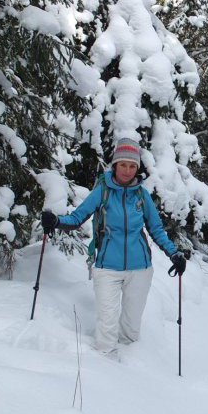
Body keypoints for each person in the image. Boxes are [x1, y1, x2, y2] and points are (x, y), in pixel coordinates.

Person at [41, 138, 186, 360]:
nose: (127, 170)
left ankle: (131, 370)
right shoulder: (103, 191)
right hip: (107, 267)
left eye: (132, 166)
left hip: (140, 269)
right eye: (123, 165)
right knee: (107, 323)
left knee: (131, 327)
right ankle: (106, 370)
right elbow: (78, 217)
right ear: (115, 165)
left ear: (137, 168)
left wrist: (173, 253)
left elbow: (156, 230)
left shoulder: (141, 195)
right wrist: (57, 222)